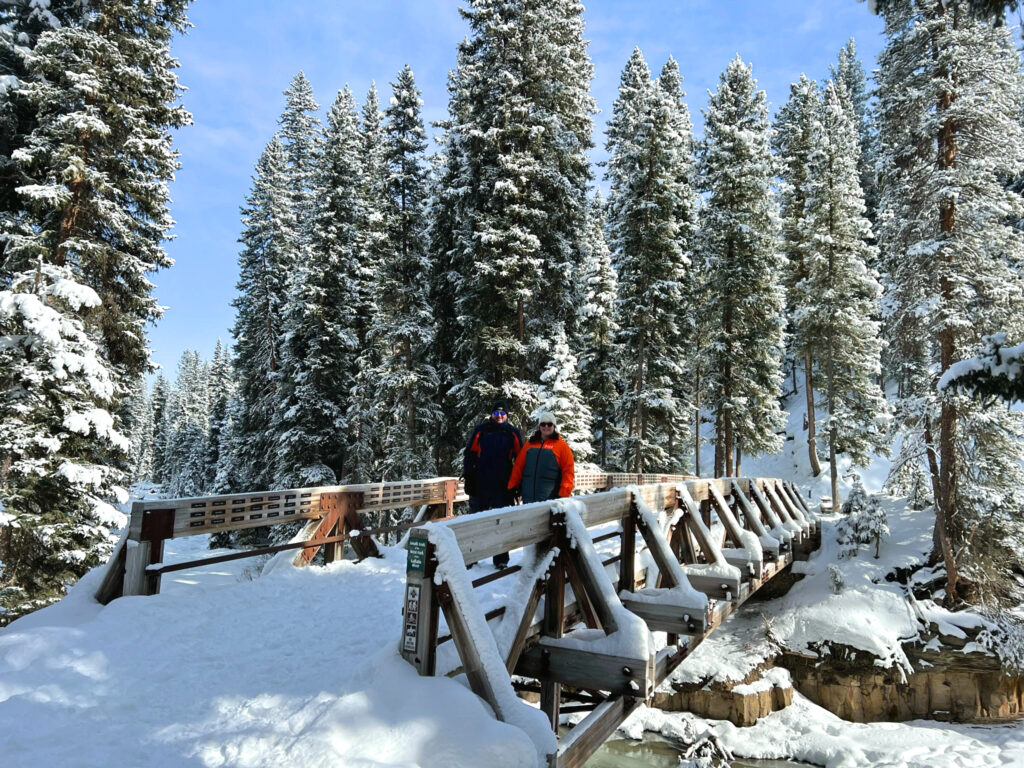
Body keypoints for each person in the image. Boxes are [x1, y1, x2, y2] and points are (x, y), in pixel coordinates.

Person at [463, 399, 523, 568]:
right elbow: (469, 455)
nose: (499, 416)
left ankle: (501, 559)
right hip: (481, 483)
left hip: (503, 486)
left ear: (507, 415)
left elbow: (520, 460)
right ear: (491, 414)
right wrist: (469, 477)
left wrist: (517, 484)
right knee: (475, 522)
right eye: (496, 413)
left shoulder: (512, 433)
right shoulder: (481, 430)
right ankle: (471, 557)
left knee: (501, 523)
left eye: (503, 413)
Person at [507, 411, 575, 504]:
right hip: (528, 498)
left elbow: (568, 472)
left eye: (549, 424)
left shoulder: (562, 446)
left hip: (550, 500)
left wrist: (564, 495)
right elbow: (519, 466)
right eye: (543, 424)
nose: (546, 427)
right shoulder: (530, 444)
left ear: (554, 426)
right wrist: (513, 486)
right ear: (539, 426)